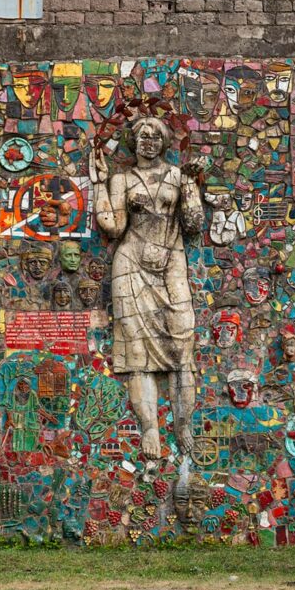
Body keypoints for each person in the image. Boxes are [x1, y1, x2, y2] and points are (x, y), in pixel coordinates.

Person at [89, 116, 204, 459]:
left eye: (156, 136)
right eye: (143, 136)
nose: (148, 142)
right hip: (130, 265)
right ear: (134, 141)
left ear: (166, 143)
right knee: (137, 356)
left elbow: (194, 224)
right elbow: (112, 226)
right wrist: (99, 184)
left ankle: (183, 425)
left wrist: (191, 187)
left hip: (171, 263)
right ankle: (150, 429)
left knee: (183, 348)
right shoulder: (122, 179)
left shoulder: (177, 176)